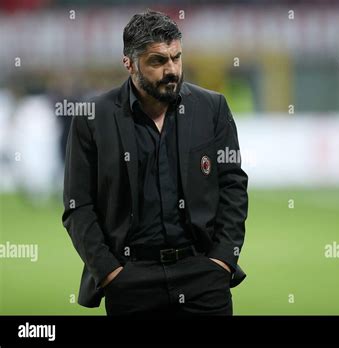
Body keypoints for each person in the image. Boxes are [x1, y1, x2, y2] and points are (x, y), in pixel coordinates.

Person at [62, 10, 248, 316]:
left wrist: (222, 261)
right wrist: (110, 273)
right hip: (131, 280)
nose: (171, 70)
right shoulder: (92, 117)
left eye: (176, 57)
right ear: (129, 63)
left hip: (203, 276)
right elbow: (78, 205)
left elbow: (233, 187)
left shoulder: (212, 108)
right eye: (158, 61)